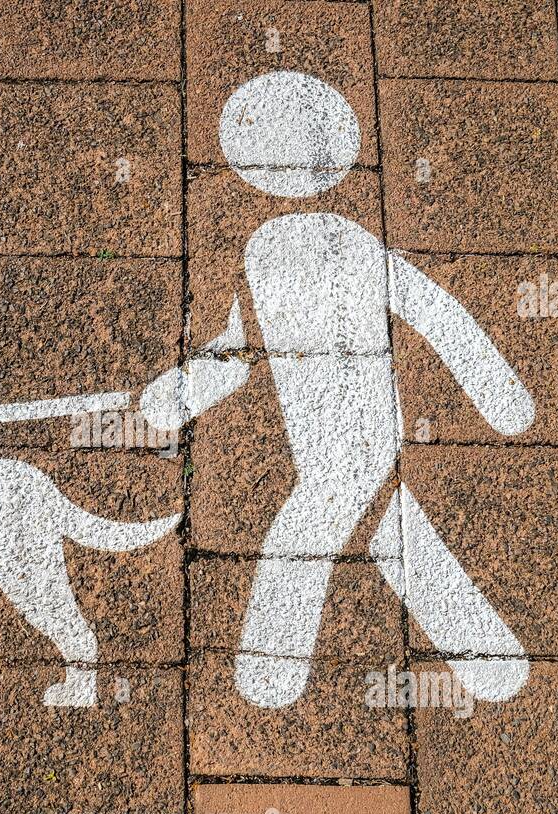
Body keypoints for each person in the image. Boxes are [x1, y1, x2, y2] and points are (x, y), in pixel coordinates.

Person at [140, 71, 535, 709]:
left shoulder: (305, 249)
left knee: (308, 528)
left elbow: (237, 354)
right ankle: (489, 658)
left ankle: (273, 671)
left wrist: (181, 394)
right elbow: (433, 313)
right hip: (337, 425)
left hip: (353, 426)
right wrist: (180, 392)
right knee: (387, 528)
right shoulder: (285, 252)